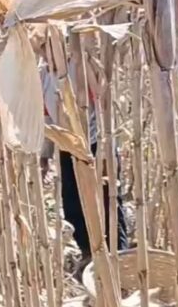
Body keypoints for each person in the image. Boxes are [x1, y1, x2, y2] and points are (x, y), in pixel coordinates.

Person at [39, 58, 128, 278]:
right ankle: (89, 254)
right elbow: (47, 118)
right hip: (67, 146)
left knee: (107, 200)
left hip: (96, 142)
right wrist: (45, 155)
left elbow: (99, 99)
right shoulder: (42, 76)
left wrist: (104, 145)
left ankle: (120, 259)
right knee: (72, 205)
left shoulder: (77, 64)